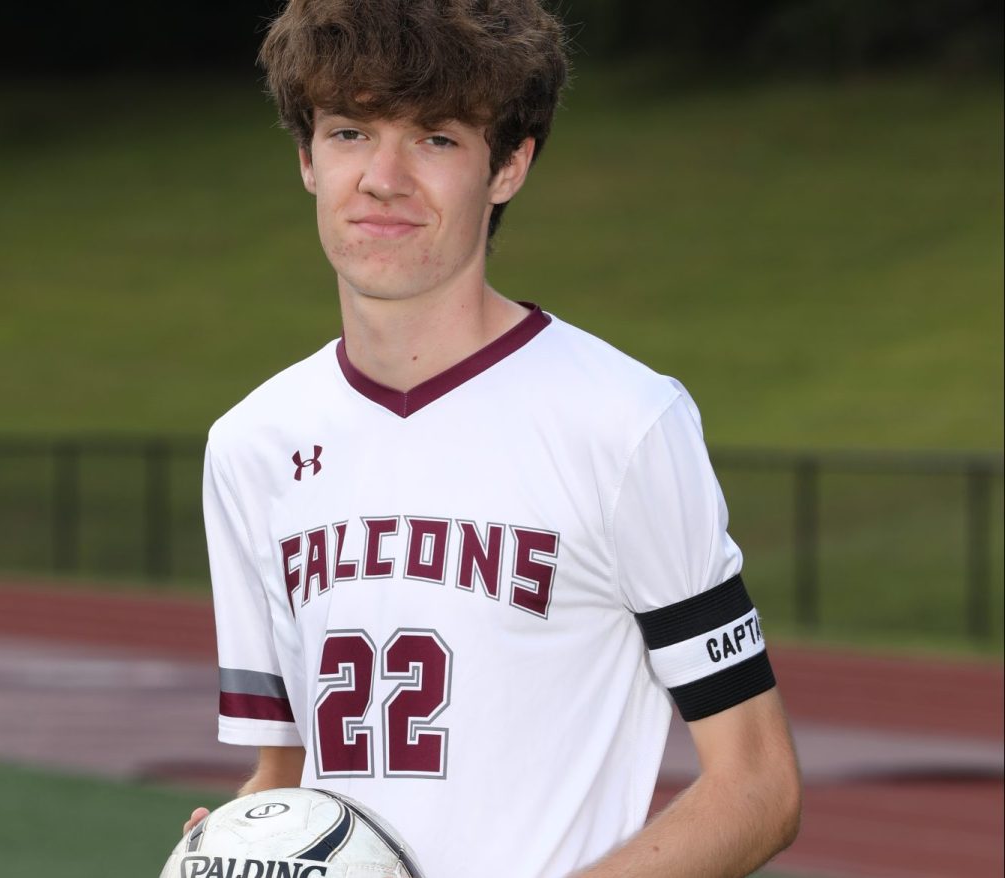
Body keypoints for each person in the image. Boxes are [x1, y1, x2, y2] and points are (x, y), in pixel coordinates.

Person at [188, 1, 802, 875]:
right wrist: (238, 845)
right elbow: (284, 780)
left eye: (435, 139)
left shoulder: (622, 422)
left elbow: (758, 786)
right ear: (307, 159)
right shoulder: (253, 445)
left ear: (508, 166)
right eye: (350, 133)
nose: (383, 179)